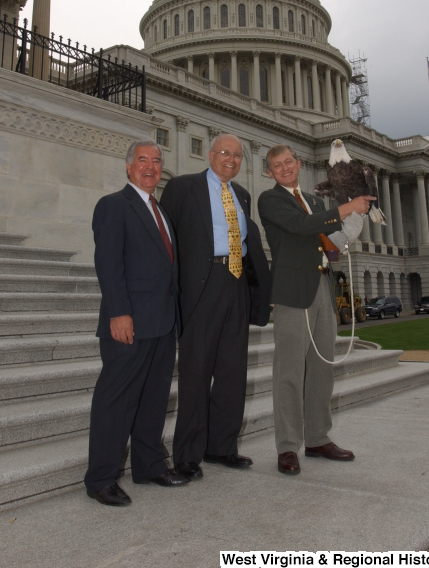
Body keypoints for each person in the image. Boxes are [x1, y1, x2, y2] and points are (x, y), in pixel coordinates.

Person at [257, 145, 376, 476]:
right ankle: (287, 446)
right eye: (276, 165)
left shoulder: (315, 200)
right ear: (270, 172)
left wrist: (353, 220)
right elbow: (300, 226)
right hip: (292, 292)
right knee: (289, 373)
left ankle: (317, 438)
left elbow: (329, 241)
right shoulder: (270, 200)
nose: (284, 168)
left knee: (323, 369)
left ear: (298, 164)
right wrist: (345, 207)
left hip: (322, 286)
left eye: (288, 162)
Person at [84, 139, 189, 506]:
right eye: (142, 160)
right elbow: (108, 265)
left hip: (162, 324)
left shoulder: (160, 212)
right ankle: (101, 478)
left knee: (154, 401)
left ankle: (150, 467)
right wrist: (118, 312)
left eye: (156, 161)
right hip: (128, 323)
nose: (150, 167)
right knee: (116, 401)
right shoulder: (114, 205)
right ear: (129, 167)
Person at [160, 133, 271, 480]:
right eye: (226, 153)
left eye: (238, 156)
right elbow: (166, 241)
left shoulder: (241, 195)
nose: (232, 160)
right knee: (195, 373)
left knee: (232, 372)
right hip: (201, 287)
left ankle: (222, 446)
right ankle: (188, 455)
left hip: (235, 285)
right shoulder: (182, 188)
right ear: (210, 155)